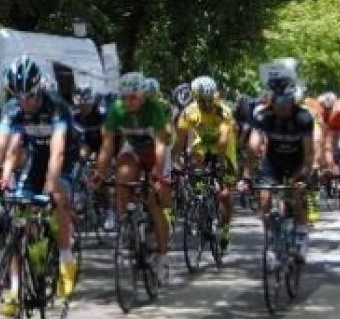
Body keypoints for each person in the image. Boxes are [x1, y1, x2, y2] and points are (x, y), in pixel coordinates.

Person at [0, 56, 80, 306]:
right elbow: (6, 148)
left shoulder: (56, 106)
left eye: (29, 96)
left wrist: (50, 183)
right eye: (18, 97)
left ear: (38, 90)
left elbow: (58, 151)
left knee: (56, 196)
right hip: (37, 157)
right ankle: (16, 289)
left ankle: (66, 259)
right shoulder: (13, 110)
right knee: (19, 216)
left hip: (64, 157)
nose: (24, 102)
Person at [92, 71, 172, 282]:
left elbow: (161, 145)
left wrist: (157, 175)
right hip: (134, 150)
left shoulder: (154, 109)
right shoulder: (117, 110)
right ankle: (127, 225)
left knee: (156, 202)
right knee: (121, 179)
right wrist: (100, 172)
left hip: (156, 152)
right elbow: (107, 145)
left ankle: (163, 257)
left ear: (143, 95)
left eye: (133, 97)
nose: (129, 101)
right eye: (125, 97)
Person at [240, 69, 315, 262]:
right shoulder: (263, 116)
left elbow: (309, 154)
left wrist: (304, 176)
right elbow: (253, 148)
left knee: (298, 195)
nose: (281, 107)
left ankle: (301, 234)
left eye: (285, 102)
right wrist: (246, 176)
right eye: (277, 102)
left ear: (292, 101)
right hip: (273, 162)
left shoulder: (303, 118)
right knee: (265, 199)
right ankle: (272, 240)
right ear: (271, 100)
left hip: (297, 162)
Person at [174, 75, 237, 251]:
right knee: (194, 165)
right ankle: (199, 201)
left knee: (224, 194)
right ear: (195, 98)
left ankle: (225, 229)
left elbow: (223, 141)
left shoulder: (223, 111)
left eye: (210, 100)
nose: (207, 105)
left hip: (223, 148)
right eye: (203, 101)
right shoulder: (188, 112)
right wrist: (175, 161)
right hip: (203, 144)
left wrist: (220, 163)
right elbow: (179, 141)